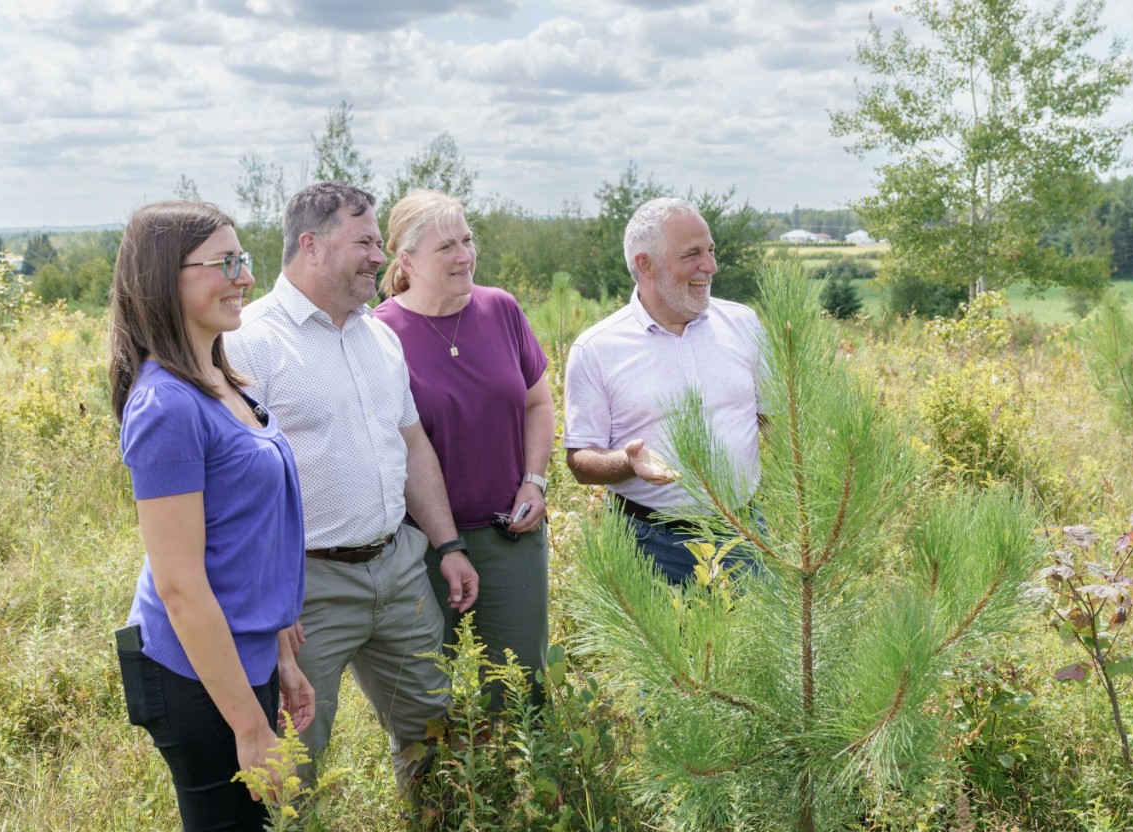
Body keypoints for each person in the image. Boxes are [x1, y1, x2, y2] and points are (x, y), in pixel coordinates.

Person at [223, 182, 479, 793]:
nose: (379, 257)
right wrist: (270, 598)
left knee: (432, 737)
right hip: (307, 591)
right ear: (311, 246)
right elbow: (232, 487)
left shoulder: (379, 337)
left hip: (398, 571)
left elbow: (411, 445)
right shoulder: (248, 341)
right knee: (294, 759)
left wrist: (446, 546)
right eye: (363, 242)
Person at [109, 200, 314, 832]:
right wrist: (250, 730)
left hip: (242, 651)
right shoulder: (166, 405)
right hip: (194, 674)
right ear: (165, 277)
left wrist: (281, 652)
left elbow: (248, 536)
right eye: (224, 262)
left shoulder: (225, 380)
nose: (245, 276)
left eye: (244, 258)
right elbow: (180, 587)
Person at [374, 189, 553, 708]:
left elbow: (537, 405)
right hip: (419, 545)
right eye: (446, 246)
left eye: (468, 240)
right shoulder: (379, 333)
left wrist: (534, 481)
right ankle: (435, 790)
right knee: (423, 696)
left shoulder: (501, 309)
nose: (464, 255)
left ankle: (520, 790)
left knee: (521, 691)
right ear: (406, 260)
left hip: (510, 532)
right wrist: (443, 543)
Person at [563, 197, 766, 585]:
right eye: (692, 254)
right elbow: (580, 459)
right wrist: (627, 462)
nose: (710, 265)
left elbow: (770, 419)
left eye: (710, 251)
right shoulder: (597, 349)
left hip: (744, 534)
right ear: (646, 265)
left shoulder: (743, 324)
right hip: (649, 544)